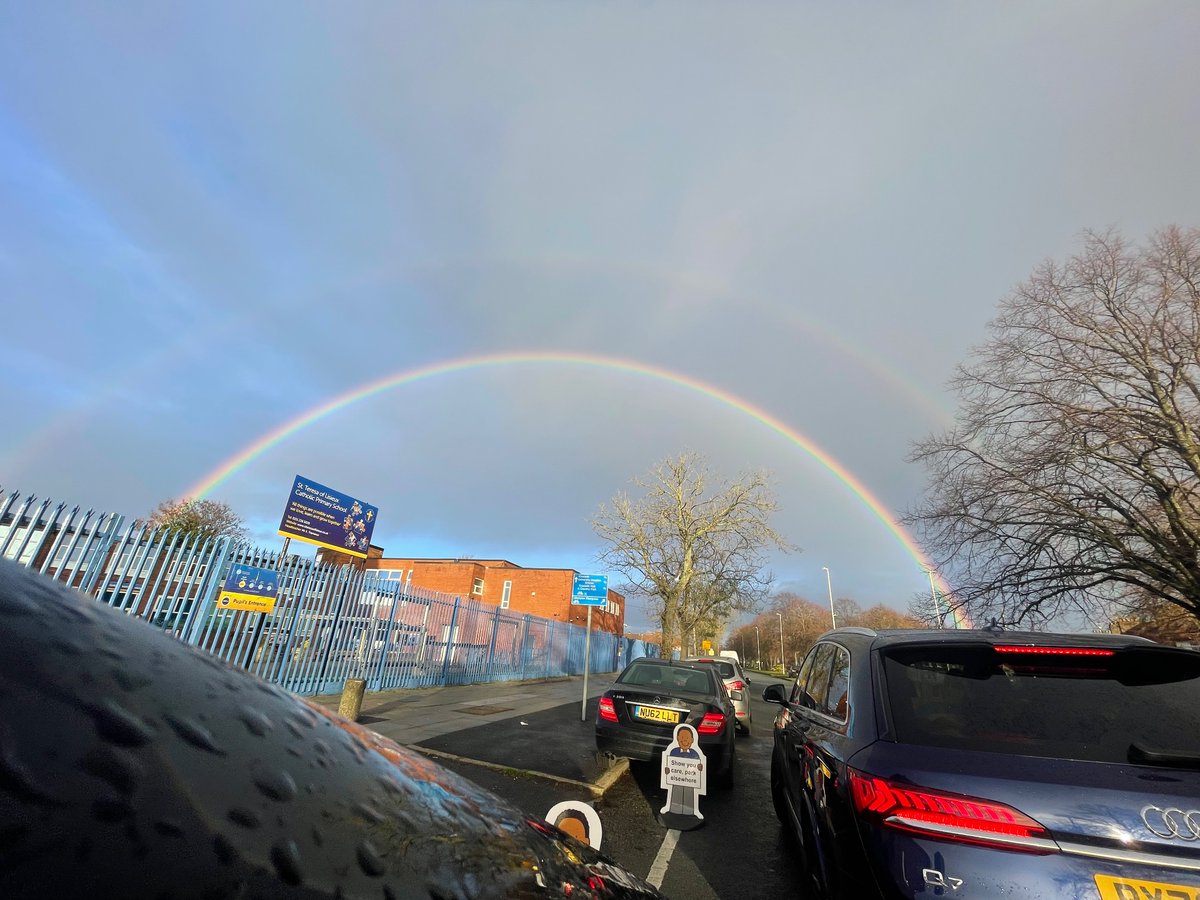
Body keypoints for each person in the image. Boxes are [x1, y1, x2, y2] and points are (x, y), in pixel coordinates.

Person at [660, 724, 706, 819]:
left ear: (692, 740)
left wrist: (700, 768)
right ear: (677, 739)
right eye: (681, 737)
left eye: (687, 738)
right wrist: (667, 770)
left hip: (690, 779)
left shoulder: (695, 753)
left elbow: (698, 766)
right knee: (675, 792)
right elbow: (669, 764)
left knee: (690, 794)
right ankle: (670, 807)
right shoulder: (674, 751)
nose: (684, 740)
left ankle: (694, 811)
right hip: (676, 779)